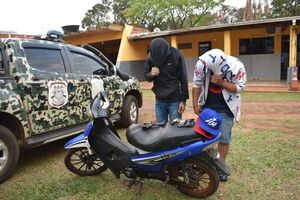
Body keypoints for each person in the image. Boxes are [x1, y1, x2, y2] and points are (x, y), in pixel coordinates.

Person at [192, 49, 247, 181]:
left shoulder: (236, 66)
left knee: (223, 139)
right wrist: (195, 105)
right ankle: (202, 165)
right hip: (207, 106)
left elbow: (241, 87)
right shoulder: (202, 64)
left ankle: (220, 167)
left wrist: (223, 83)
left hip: (226, 108)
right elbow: (196, 84)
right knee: (202, 136)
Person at [144, 38, 189, 123]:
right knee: (161, 129)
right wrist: (151, 74)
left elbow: (183, 78)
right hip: (159, 100)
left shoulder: (177, 55)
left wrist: (183, 100)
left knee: (175, 130)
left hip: (175, 100)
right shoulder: (151, 56)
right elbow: (146, 76)